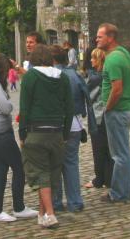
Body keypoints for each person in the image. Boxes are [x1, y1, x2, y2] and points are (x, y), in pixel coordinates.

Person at [0, 53, 38, 223]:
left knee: (1, 170)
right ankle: (18, 207)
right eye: (6, 70)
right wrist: (10, 103)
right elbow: (6, 108)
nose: (7, 74)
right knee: (19, 167)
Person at [19, 44, 71, 228]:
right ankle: (41, 214)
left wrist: (22, 133)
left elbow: (24, 107)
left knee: (41, 174)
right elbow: (69, 108)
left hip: (36, 131)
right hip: (56, 131)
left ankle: (50, 214)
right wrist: (65, 133)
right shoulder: (63, 77)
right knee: (50, 174)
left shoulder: (31, 77)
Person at [96, 23, 130, 204]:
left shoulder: (112, 59)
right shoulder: (123, 52)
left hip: (117, 110)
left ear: (110, 38)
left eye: (100, 37)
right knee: (123, 149)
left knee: (118, 154)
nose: (97, 39)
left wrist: (107, 108)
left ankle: (118, 193)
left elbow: (116, 89)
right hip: (127, 108)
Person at [52, 44, 87, 214]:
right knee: (71, 163)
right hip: (76, 123)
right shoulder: (75, 74)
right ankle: (75, 201)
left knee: (55, 165)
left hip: (59, 125)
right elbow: (84, 95)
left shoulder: (54, 75)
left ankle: (57, 202)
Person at [84, 47, 113, 190]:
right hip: (106, 116)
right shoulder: (105, 74)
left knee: (98, 149)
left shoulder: (95, 77)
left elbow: (88, 97)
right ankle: (108, 178)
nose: (90, 60)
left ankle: (99, 179)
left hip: (98, 116)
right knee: (107, 149)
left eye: (93, 58)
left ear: (99, 60)